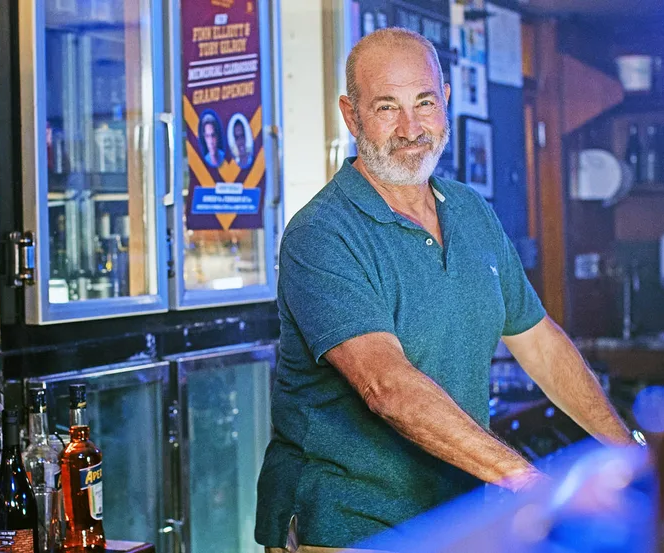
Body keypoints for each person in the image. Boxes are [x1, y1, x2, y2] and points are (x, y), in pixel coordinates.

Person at [255, 28, 633, 553]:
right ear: (351, 115)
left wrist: (630, 456)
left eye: (425, 102)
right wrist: (531, 486)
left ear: (446, 101)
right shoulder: (322, 233)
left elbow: (541, 344)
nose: (411, 128)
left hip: (454, 515)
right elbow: (387, 387)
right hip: (348, 523)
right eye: (387, 107)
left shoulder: (470, 210)